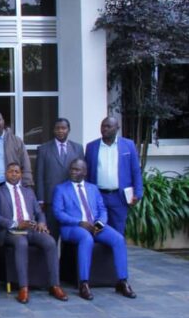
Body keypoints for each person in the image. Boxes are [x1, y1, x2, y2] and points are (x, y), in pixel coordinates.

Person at [53, 159, 136, 300]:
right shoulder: (61, 189)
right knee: (86, 238)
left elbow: (102, 209)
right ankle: (84, 283)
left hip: (95, 226)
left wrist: (99, 224)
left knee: (118, 239)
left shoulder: (93, 188)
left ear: (84, 172)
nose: (73, 171)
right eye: (72, 169)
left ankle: (122, 281)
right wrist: (80, 222)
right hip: (73, 227)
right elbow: (58, 213)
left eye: (77, 169)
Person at [0, 163, 67, 304]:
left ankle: (55, 285)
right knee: (21, 242)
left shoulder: (28, 191)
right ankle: (23, 287)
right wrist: (16, 224)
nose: (14, 174)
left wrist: (42, 223)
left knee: (49, 241)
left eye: (17, 172)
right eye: (11, 171)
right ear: (5, 173)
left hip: (31, 229)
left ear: (20, 174)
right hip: (9, 231)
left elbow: (39, 212)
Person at [84, 117, 143, 236]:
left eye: (108, 126)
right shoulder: (91, 147)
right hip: (98, 197)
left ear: (117, 128)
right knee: (98, 228)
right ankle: (101, 255)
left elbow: (135, 171)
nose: (104, 129)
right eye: (103, 126)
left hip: (119, 197)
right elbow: (87, 173)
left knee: (118, 231)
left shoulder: (128, 145)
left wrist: (138, 193)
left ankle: (116, 254)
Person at [35, 118, 84, 240]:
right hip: (51, 200)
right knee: (52, 235)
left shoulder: (78, 148)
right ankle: (52, 260)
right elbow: (39, 175)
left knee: (71, 236)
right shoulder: (44, 149)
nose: (60, 131)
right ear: (53, 130)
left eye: (63, 128)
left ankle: (67, 260)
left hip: (71, 199)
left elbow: (82, 174)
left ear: (69, 130)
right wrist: (41, 199)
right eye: (57, 128)